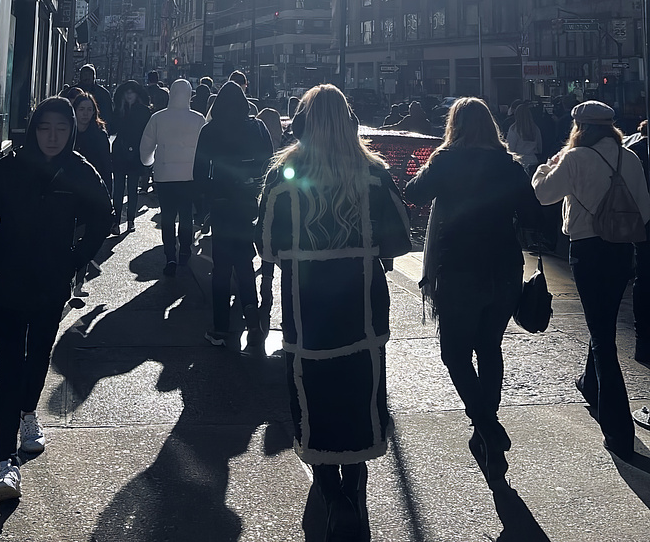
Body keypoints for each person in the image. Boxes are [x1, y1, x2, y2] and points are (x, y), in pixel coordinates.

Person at [257, 84, 411, 538]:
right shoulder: (375, 174)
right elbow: (401, 238)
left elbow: (266, 245)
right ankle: (355, 479)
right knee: (362, 385)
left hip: (308, 308)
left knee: (311, 388)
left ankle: (328, 484)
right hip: (362, 303)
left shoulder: (284, 175)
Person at [0, 97, 112, 503]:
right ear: (33, 129)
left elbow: (104, 214)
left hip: (52, 285)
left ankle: (29, 414)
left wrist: (77, 257)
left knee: (37, 359)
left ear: (71, 132)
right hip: (9, 286)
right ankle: (4, 462)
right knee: (10, 367)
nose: (52, 137)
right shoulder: (10, 169)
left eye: (61, 129)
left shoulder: (78, 171)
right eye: (45, 128)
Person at [406, 97, 542, 484]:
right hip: (503, 269)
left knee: (454, 353)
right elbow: (533, 218)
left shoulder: (446, 160)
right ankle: (487, 429)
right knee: (489, 347)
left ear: (456, 125)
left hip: (459, 270)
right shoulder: (509, 165)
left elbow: (415, 193)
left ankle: (485, 424)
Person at [533, 100, 650, 462]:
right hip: (621, 251)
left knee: (602, 338)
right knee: (603, 322)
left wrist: (542, 168)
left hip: (588, 251)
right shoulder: (628, 158)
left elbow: (543, 194)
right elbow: (644, 210)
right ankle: (589, 384)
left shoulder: (573, 158)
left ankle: (619, 433)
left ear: (579, 127)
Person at [193, 81, 273, 347]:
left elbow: (199, 172)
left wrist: (204, 202)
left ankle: (220, 327)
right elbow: (269, 162)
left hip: (221, 202)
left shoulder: (210, 130)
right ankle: (252, 314)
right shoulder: (257, 127)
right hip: (248, 201)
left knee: (221, 265)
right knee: (245, 260)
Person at [139, 79, 206, 275]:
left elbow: (146, 147)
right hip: (189, 175)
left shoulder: (158, 118)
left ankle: (170, 255)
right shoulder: (198, 119)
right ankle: (185, 250)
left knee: (168, 216)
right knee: (186, 215)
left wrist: (148, 162)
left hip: (165, 173)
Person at [111, 80, 152, 234]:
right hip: (120, 152)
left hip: (135, 152)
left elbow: (147, 133)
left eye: (132, 92)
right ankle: (116, 221)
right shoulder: (119, 110)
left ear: (137, 94)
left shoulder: (143, 111)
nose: (129, 95)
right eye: (126, 92)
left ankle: (130, 220)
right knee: (119, 188)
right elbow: (112, 128)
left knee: (133, 188)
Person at [624, 121, 650, 364]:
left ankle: (643, 342)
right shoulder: (636, 150)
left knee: (644, 279)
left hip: (644, 222)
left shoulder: (632, 149)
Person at [73, 92, 112, 195]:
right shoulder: (68, 132)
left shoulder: (100, 135)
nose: (85, 114)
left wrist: (107, 193)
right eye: (81, 109)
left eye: (89, 110)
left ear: (94, 111)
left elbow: (106, 165)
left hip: (93, 187)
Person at [505, 101, 542, 175]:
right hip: (533, 161)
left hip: (520, 163)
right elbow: (539, 148)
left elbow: (510, 148)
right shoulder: (535, 128)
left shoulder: (513, 129)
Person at [78, 64, 114, 131]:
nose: (87, 77)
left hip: (97, 128)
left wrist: (106, 129)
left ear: (94, 77)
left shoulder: (103, 94)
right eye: (85, 75)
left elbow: (107, 114)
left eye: (89, 75)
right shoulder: (73, 92)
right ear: (80, 76)